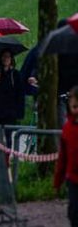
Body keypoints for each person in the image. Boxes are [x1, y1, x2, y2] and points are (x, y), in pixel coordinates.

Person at [54, 85, 78, 227]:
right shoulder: (67, 129)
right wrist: (58, 181)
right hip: (73, 178)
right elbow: (62, 158)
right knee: (73, 212)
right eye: (75, 107)